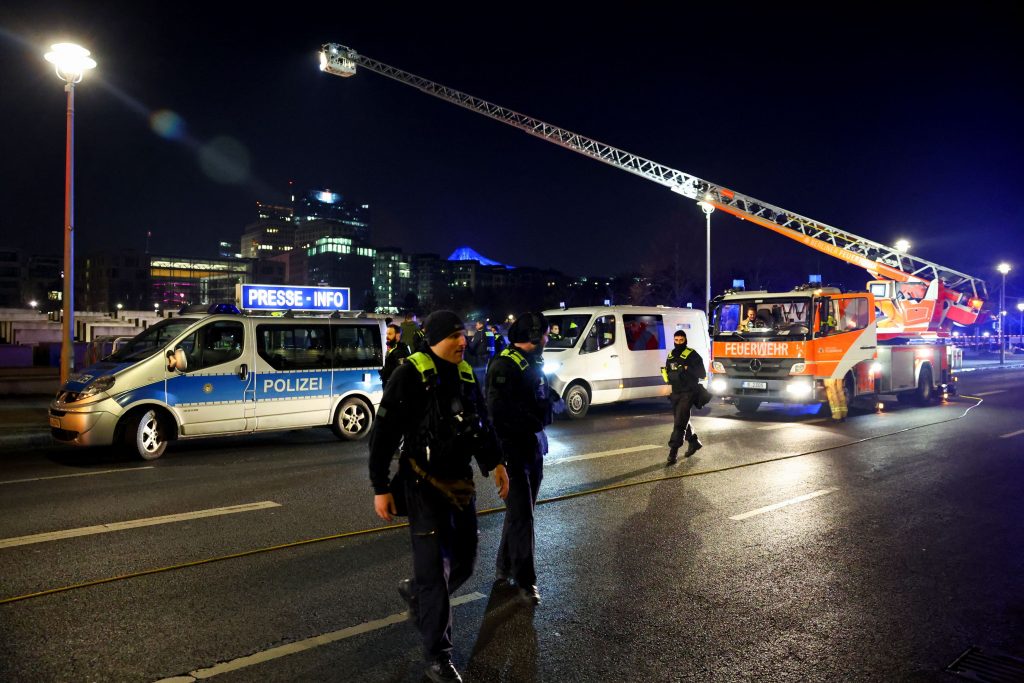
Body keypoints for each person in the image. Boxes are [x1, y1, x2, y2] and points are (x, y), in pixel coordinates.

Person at [369, 310, 510, 683]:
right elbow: (382, 435)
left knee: (464, 560)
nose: (463, 342)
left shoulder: (464, 375)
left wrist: (495, 462)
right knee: (436, 570)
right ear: (434, 340)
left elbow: (480, 422)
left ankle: (416, 593)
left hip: (459, 483)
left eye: (463, 335)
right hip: (421, 486)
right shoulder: (409, 374)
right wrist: (381, 487)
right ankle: (438, 656)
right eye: (454, 337)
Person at [486, 312, 558, 605]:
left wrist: (551, 399)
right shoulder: (504, 365)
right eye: (545, 334)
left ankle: (504, 566)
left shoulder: (533, 362)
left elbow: (536, 392)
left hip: (532, 445)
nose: (547, 339)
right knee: (523, 515)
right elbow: (497, 414)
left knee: (521, 512)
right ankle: (526, 581)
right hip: (512, 449)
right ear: (532, 336)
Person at [662, 330, 707, 464]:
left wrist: (687, 368)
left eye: (681, 340)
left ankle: (673, 452)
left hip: (688, 392)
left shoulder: (692, 354)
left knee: (679, 423)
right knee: (680, 419)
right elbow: (668, 371)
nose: (679, 343)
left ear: (685, 340)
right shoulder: (671, 355)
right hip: (676, 392)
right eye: (676, 340)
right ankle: (693, 442)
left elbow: (702, 373)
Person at [379, 323, 411, 388]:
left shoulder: (400, 352)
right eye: (387, 334)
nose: (387, 337)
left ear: (398, 336)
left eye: (390, 334)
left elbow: (401, 375)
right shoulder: (393, 349)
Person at [467, 320, 494, 384]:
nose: (476, 326)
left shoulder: (479, 333)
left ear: (481, 325)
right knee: (488, 373)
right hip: (490, 356)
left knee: (480, 376)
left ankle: (482, 388)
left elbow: (473, 345)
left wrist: (469, 350)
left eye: (477, 324)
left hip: (481, 358)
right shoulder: (490, 332)